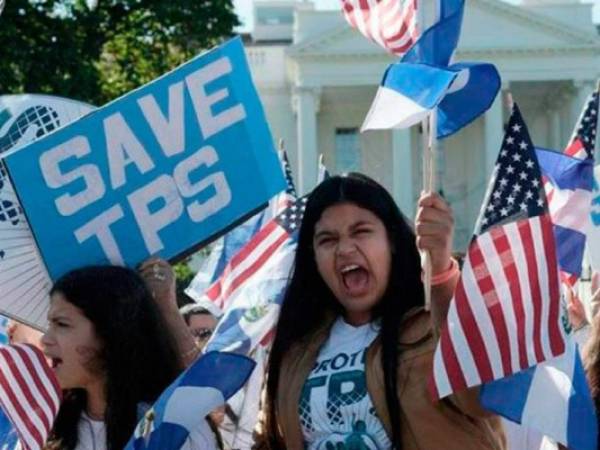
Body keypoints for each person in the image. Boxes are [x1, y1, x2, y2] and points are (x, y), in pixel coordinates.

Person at [254, 173, 505, 450]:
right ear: (312, 257)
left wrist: (442, 274)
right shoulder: (296, 350)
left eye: (361, 231)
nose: (345, 249)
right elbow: (270, 438)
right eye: (327, 240)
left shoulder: (433, 325)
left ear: (392, 241)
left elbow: (484, 396)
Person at [41, 265, 216, 450]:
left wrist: (166, 303)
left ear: (110, 332)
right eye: (50, 324)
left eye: (62, 324)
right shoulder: (47, 424)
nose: (45, 339)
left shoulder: (174, 430)